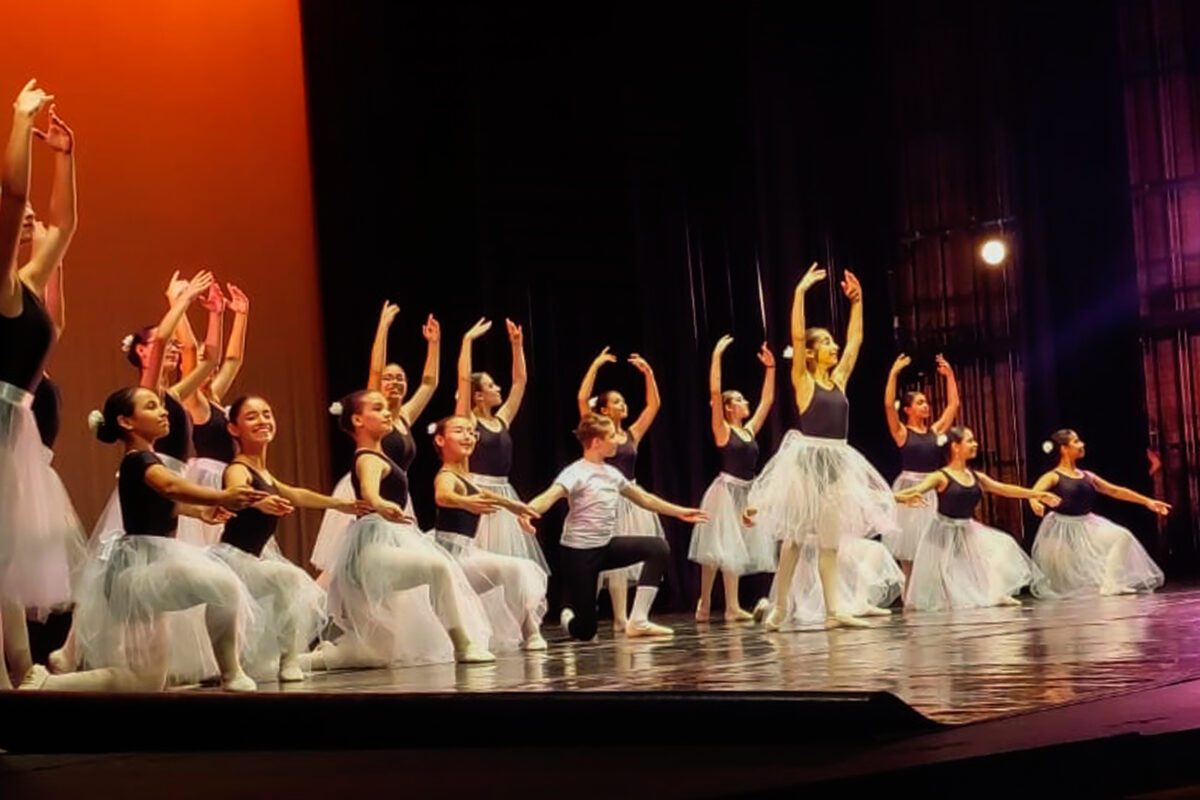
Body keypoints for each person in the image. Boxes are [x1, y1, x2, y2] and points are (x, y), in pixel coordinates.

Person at [24, 387, 266, 692]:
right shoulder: (139, 460)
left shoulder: (147, 459)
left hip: (142, 567)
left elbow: (166, 501)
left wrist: (200, 512)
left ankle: (47, 684)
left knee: (146, 680)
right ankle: (231, 673)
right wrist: (222, 495)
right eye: (152, 407)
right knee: (224, 585)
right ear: (127, 422)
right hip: (145, 566)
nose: (164, 412)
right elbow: (170, 487)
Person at [744, 263, 903, 630]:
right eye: (827, 343)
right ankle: (780, 607)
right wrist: (799, 293)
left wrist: (858, 303)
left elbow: (857, 341)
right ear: (813, 354)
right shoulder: (803, 380)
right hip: (808, 463)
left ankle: (834, 612)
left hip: (838, 462)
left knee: (830, 542)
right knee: (795, 541)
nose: (834, 347)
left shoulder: (840, 381)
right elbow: (797, 338)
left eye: (833, 342)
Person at [527, 413, 708, 641]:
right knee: (586, 631)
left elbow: (645, 499)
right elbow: (549, 496)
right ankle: (567, 617)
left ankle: (639, 619)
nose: (617, 441)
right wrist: (528, 511)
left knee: (658, 548)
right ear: (596, 442)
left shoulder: (612, 473)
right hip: (578, 554)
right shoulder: (576, 472)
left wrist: (680, 511)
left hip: (605, 548)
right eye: (612, 436)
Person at [897, 426, 1059, 611]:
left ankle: (994, 592)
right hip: (943, 532)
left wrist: (1036, 494)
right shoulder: (941, 476)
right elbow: (917, 489)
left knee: (1003, 546)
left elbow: (1004, 488)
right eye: (970, 441)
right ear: (955, 447)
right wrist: (896, 497)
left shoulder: (975, 476)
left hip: (967, 528)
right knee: (947, 577)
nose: (975, 444)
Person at [431, 414, 548, 650]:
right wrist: (463, 502)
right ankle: (528, 632)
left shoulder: (467, 477)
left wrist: (519, 509)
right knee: (516, 569)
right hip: (450, 557)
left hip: (467, 553)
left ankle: (529, 630)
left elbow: (490, 497)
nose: (468, 436)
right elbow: (442, 496)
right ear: (441, 440)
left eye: (471, 432)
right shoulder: (446, 475)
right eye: (459, 431)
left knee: (518, 568)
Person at [689, 335, 776, 622]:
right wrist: (716, 357)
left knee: (729, 550)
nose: (745, 401)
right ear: (728, 408)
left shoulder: (749, 431)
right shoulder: (722, 430)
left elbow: (767, 400)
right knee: (718, 550)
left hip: (746, 493)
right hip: (725, 493)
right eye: (738, 399)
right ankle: (712, 605)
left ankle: (725, 606)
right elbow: (714, 393)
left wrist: (771, 369)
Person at [1029, 429, 1167, 597]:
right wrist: (1035, 502)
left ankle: (1111, 584)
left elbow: (1115, 491)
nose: (1082, 444)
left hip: (1087, 523)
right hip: (1062, 527)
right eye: (1076, 442)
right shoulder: (1053, 476)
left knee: (1122, 536)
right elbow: (1034, 492)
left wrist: (1147, 501)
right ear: (1064, 449)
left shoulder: (1087, 475)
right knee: (1068, 576)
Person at [882, 353, 959, 579]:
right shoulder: (902, 433)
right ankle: (909, 596)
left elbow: (953, 405)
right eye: (920, 403)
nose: (926, 406)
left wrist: (950, 376)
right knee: (909, 548)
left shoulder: (934, 431)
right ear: (907, 410)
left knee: (933, 545)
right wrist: (893, 373)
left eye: (926, 402)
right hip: (909, 488)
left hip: (930, 488)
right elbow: (888, 405)